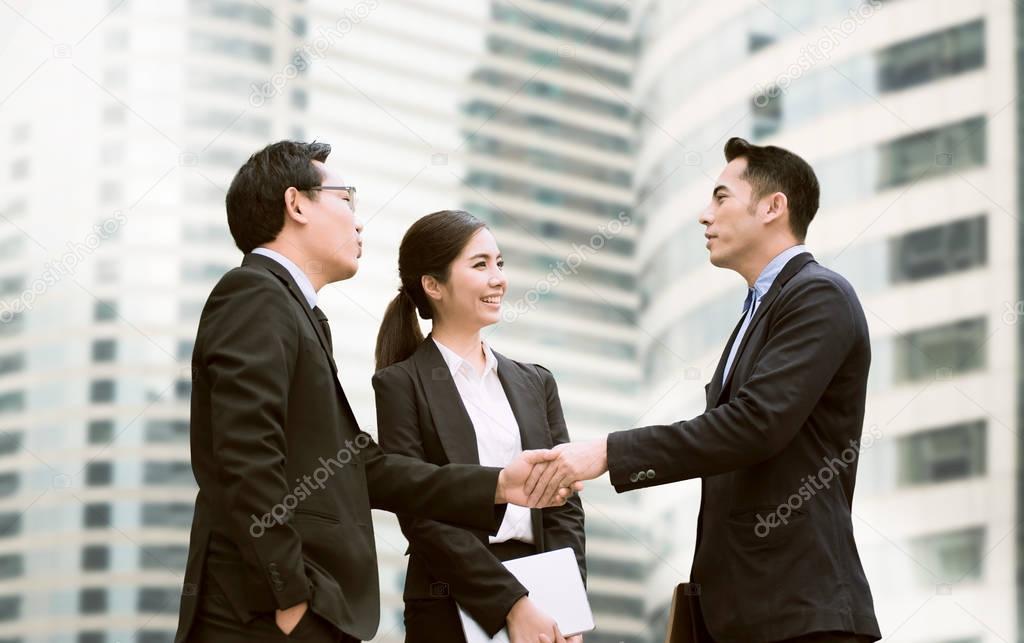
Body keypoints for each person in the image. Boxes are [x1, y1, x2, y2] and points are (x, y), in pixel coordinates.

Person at [174, 141, 577, 643]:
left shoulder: (295, 312)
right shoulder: (256, 295)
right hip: (260, 616)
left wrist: (497, 485)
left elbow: (363, 467)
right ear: (296, 204)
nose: (359, 222)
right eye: (347, 200)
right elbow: (245, 459)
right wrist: (291, 600)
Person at [532, 138, 882, 642]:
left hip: (799, 613)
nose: (704, 215)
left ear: (772, 207)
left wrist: (606, 453)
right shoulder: (760, 309)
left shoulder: (818, 295)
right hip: (745, 614)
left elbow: (755, 424)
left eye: (721, 198)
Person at [371, 210, 587, 643]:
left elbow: (564, 504)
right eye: (480, 264)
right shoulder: (401, 384)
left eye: (500, 263)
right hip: (450, 601)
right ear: (433, 285)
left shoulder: (535, 382)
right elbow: (420, 513)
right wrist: (511, 605)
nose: (498, 278)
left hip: (547, 597)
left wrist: (568, 605)